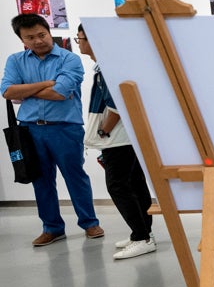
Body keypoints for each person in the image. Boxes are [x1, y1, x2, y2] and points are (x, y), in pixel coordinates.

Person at [2, 14, 103, 246]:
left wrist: (25, 90)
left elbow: (59, 93)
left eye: (42, 35)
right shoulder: (15, 60)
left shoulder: (70, 59)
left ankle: (90, 223)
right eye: (30, 37)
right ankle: (52, 228)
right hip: (29, 130)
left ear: (49, 32)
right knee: (41, 180)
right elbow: (7, 92)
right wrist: (46, 84)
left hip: (65, 128)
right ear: (22, 40)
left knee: (75, 176)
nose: (38, 41)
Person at [77, 25, 155, 260]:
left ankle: (142, 237)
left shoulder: (109, 66)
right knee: (134, 182)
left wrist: (104, 131)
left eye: (80, 38)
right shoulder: (110, 64)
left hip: (118, 137)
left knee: (118, 185)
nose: (79, 42)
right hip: (126, 136)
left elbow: (116, 103)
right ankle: (142, 234)